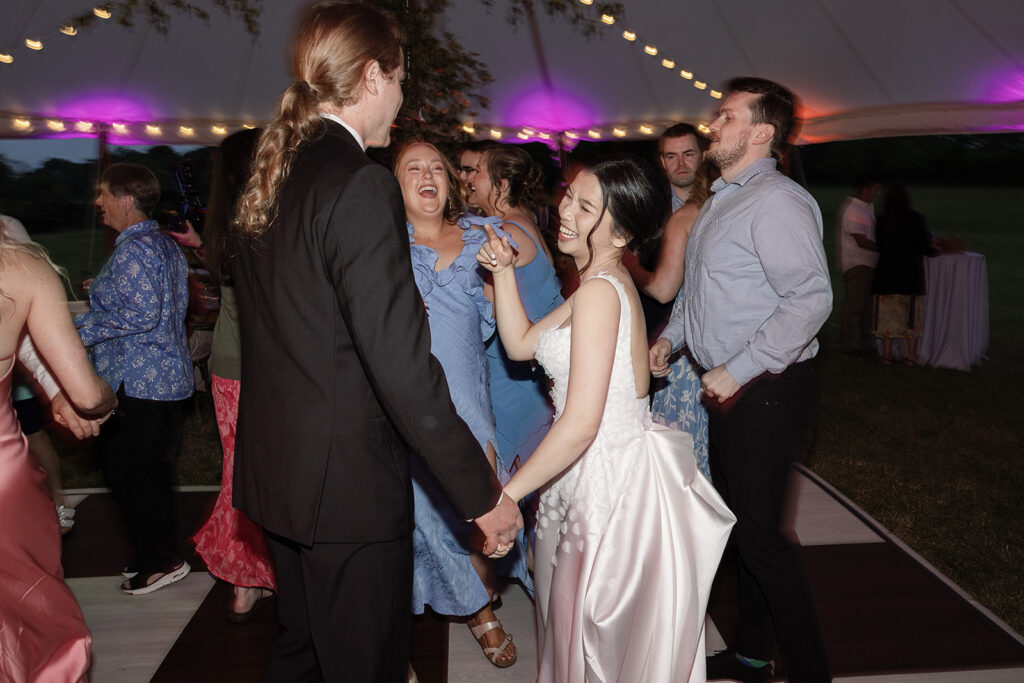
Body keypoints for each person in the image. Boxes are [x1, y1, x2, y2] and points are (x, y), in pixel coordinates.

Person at [229, 4, 521, 681]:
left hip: (283, 472)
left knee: (305, 654)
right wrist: (481, 495)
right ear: (371, 77)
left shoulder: (277, 171)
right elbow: (401, 365)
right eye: (399, 79)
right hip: (345, 486)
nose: (401, 96)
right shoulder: (358, 183)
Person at [478, 158, 735, 682]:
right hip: (592, 472)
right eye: (569, 196)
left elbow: (581, 424)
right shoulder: (600, 283)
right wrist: (504, 272)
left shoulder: (599, 291)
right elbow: (521, 343)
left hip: (605, 485)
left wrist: (508, 495)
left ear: (620, 233)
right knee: (582, 628)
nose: (564, 210)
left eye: (585, 206)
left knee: (591, 635)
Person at [651, 77, 833, 683]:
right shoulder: (720, 200)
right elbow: (699, 293)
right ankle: (754, 654)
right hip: (729, 389)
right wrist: (672, 339)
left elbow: (810, 299)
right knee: (743, 529)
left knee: (763, 540)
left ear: (762, 133)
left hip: (767, 390)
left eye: (727, 117)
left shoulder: (776, 201)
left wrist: (738, 368)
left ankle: (811, 672)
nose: (713, 125)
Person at [396, 141, 530, 668]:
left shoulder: (481, 236)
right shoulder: (381, 245)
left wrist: (504, 272)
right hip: (401, 403)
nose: (427, 175)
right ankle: (400, 644)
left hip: (466, 401)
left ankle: (479, 604)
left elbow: (510, 319)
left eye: (437, 167)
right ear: (395, 185)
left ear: (450, 181)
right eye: (413, 168)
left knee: (476, 512)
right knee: (409, 523)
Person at [0, 229, 118, 681]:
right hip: (4, 482)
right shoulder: (22, 266)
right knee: (35, 623)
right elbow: (87, 395)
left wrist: (54, 390)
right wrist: (106, 397)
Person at [75, 162, 194, 595]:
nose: (98, 201)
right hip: (163, 377)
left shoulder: (134, 250)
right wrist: (102, 288)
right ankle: (156, 553)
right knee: (151, 471)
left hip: (140, 380)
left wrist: (77, 330)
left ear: (126, 200)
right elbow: (152, 300)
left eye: (104, 193)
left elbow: (143, 314)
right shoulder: (160, 243)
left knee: (128, 470)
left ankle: (160, 561)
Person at [181, 129, 277, 622]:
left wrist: (199, 245)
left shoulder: (222, 221)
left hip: (227, 366)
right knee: (264, 474)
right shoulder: (266, 217)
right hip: (264, 367)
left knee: (236, 471)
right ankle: (251, 576)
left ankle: (245, 580)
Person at [625, 123, 714, 478]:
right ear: (661, 161)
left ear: (703, 155)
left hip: (706, 327)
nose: (681, 164)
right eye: (671, 156)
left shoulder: (720, 203)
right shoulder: (647, 209)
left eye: (688, 154)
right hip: (656, 328)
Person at [471, 144, 563, 475]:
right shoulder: (523, 224)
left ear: (502, 184)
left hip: (513, 378)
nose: (469, 178)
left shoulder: (507, 235)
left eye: (477, 171)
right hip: (524, 373)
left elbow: (482, 313)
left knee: (504, 479)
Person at [0, 215, 74, 530]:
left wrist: (57, 389)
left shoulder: (8, 226)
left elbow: (30, 317)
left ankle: (58, 501)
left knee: (32, 434)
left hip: (15, 372)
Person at [871, 184, 936, 366]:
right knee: (910, 318)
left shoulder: (882, 220)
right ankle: (910, 357)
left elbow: (879, 245)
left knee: (886, 318)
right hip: (910, 276)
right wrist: (935, 250)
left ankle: (887, 356)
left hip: (886, 276)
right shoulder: (916, 219)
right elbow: (924, 246)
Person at [837, 175, 880, 355]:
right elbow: (861, 240)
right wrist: (886, 248)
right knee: (855, 306)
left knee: (866, 307)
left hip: (867, 263)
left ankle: (865, 343)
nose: (877, 193)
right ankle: (849, 345)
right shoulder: (854, 210)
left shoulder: (864, 209)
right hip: (858, 264)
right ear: (864, 189)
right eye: (875, 189)